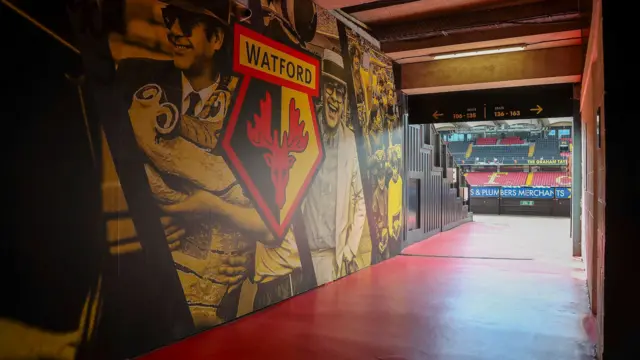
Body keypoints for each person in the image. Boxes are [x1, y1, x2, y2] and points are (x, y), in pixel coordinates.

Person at [110, 0, 273, 328]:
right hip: (142, 283)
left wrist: (249, 254)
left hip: (215, 293)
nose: (173, 31)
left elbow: (267, 202)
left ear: (216, 39)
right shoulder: (132, 79)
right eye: (170, 19)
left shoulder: (250, 106)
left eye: (186, 23)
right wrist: (144, 226)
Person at [302, 49, 366, 285]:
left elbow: (361, 199)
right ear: (320, 90)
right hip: (300, 256)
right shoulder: (303, 126)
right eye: (330, 88)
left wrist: (349, 250)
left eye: (340, 93)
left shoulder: (350, 141)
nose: (335, 99)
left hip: (333, 259)